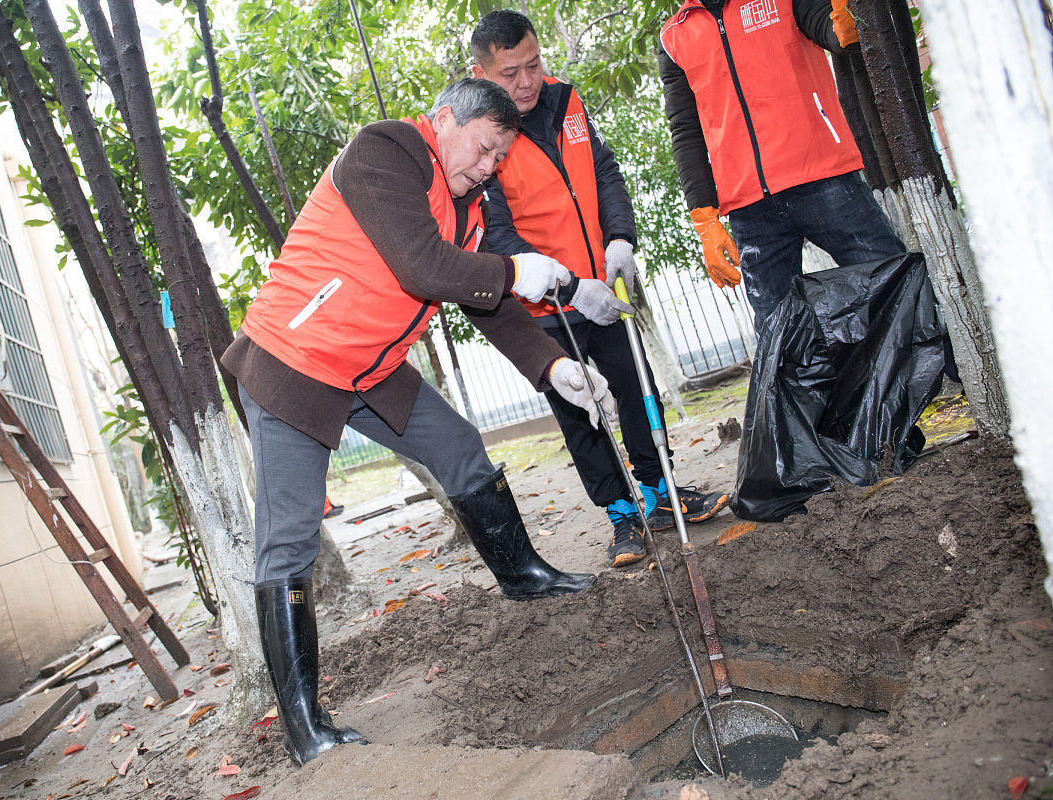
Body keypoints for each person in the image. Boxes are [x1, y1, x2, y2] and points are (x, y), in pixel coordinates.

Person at [221, 78, 610, 766]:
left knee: (458, 445)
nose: (488, 167)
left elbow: (487, 300)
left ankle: (523, 574)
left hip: (368, 368)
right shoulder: (387, 151)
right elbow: (424, 267)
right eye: (483, 149)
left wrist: (554, 368)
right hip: (294, 362)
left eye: (499, 158)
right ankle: (305, 729)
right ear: (444, 119)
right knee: (288, 539)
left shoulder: (470, 208)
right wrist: (515, 269)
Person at [471, 10, 730, 570]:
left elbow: (603, 169)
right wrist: (568, 286)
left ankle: (661, 494)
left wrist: (620, 239)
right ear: (481, 74)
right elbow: (498, 236)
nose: (527, 82)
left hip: (604, 290)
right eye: (511, 73)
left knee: (637, 391)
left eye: (533, 65)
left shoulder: (566, 100)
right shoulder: (483, 138)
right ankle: (621, 514)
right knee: (581, 414)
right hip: (545, 306)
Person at [659, 0, 906, 334]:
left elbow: (838, 35)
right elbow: (686, 131)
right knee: (779, 336)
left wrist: (846, 13)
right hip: (750, 208)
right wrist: (705, 221)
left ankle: (940, 363)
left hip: (824, 176)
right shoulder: (673, 37)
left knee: (895, 288)